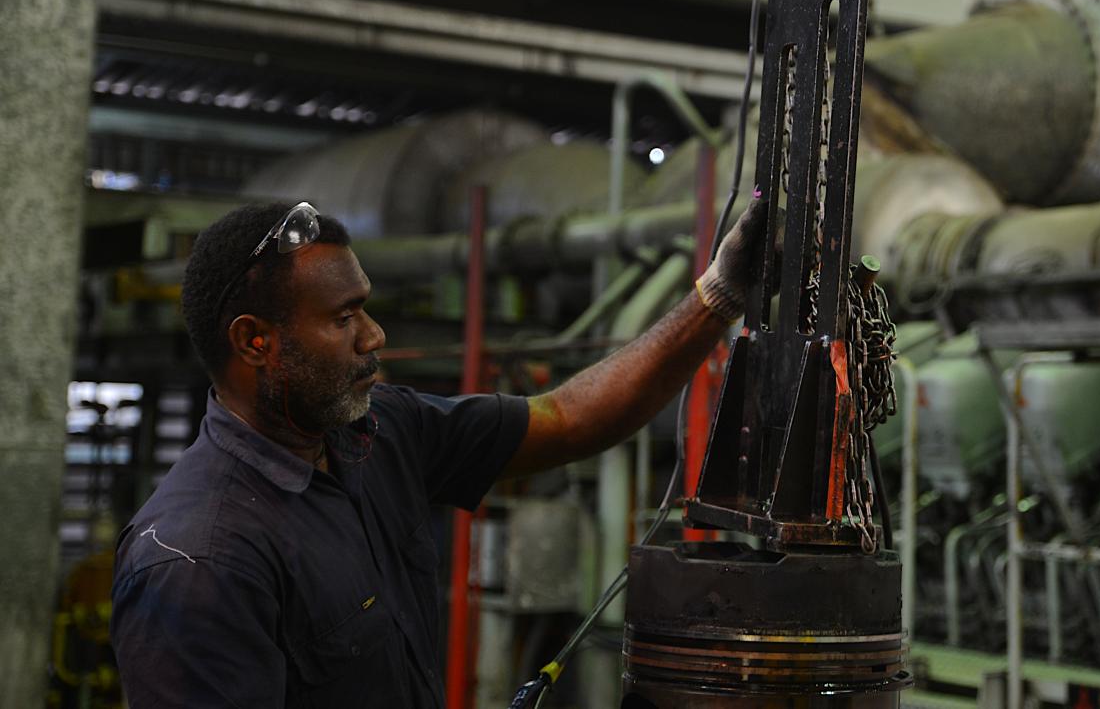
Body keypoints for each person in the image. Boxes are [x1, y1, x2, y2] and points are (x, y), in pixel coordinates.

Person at [110, 196, 768, 708]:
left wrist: (716, 297)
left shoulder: (375, 435)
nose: (374, 335)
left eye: (365, 308)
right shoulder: (201, 559)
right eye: (343, 318)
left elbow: (566, 419)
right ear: (255, 341)